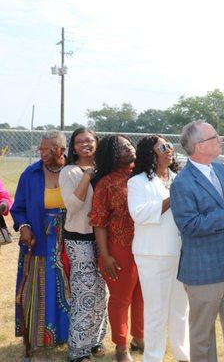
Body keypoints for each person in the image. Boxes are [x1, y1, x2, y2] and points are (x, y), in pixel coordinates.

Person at [170, 120, 224, 362]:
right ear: (199, 146)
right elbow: (189, 226)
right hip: (203, 271)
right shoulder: (182, 183)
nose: (220, 140)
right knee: (202, 335)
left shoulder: (219, 169)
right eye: (215, 137)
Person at [128, 135, 190, 362]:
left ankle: (184, 355)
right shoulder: (138, 182)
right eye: (162, 147)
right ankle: (153, 358)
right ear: (150, 153)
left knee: (181, 309)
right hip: (153, 254)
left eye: (169, 145)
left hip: (180, 251)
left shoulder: (178, 178)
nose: (168, 149)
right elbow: (139, 214)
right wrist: (170, 198)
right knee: (156, 310)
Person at [10, 130, 70, 351]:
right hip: (38, 239)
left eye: (47, 148)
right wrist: (24, 227)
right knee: (38, 287)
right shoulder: (31, 172)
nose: (41, 152)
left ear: (62, 150)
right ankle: (36, 337)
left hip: (69, 240)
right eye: (40, 148)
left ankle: (68, 335)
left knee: (68, 287)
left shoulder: (73, 171)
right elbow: (18, 208)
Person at [88, 134, 143, 362]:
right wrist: (106, 255)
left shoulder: (143, 176)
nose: (129, 149)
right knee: (121, 298)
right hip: (119, 248)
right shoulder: (106, 183)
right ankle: (121, 346)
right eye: (122, 148)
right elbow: (99, 222)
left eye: (129, 144)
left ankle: (139, 337)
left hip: (147, 246)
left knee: (143, 294)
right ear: (111, 154)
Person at [59, 128, 107, 362]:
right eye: (80, 142)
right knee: (85, 294)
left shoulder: (105, 169)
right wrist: (86, 176)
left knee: (101, 293)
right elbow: (73, 206)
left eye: (90, 140)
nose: (86, 144)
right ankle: (78, 351)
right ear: (74, 147)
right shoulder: (69, 172)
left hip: (103, 239)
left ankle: (95, 341)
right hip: (80, 239)